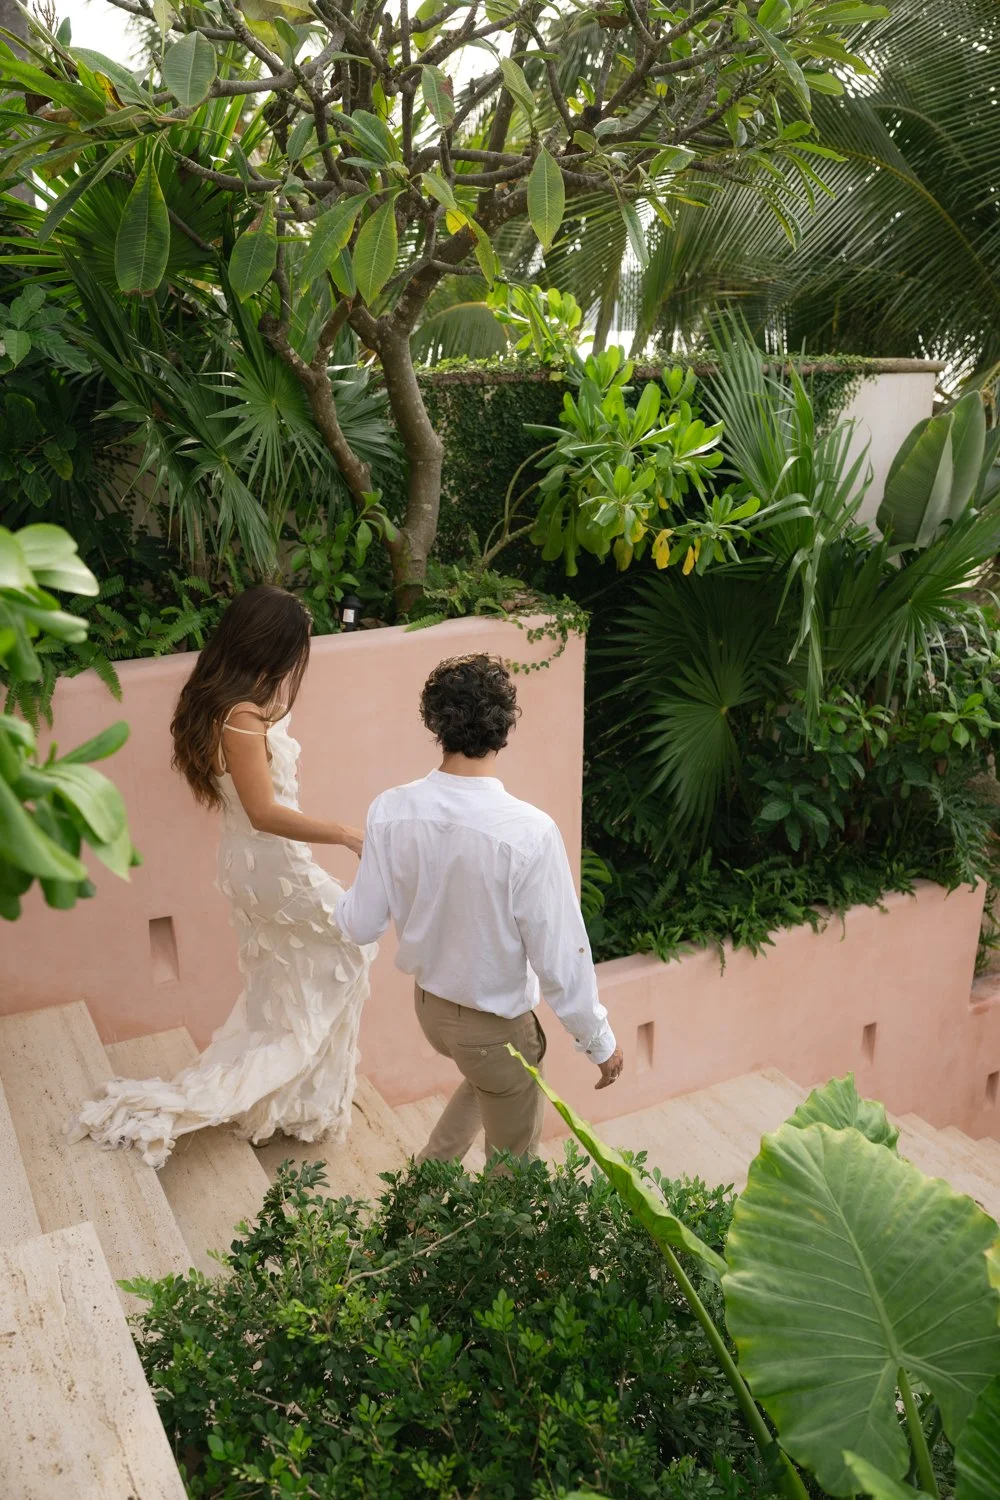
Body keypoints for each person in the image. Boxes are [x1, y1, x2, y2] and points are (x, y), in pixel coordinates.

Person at [68, 585, 375, 1169]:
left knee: (285, 986)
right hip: (271, 864)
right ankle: (273, 1095)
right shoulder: (240, 715)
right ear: (271, 649)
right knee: (346, 952)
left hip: (253, 865)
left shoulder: (228, 703)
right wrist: (345, 832)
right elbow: (262, 809)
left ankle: (286, 1103)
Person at [335, 652, 623, 1165]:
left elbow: (359, 925)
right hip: (492, 1023)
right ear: (504, 728)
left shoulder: (391, 809)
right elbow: (561, 959)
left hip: (431, 1010)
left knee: (485, 1075)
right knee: (513, 1173)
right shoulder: (529, 832)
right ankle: (451, 1225)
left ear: (435, 725)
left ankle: (425, 1183)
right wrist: (600, 1044)